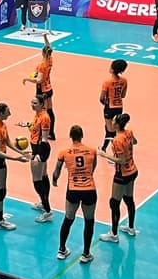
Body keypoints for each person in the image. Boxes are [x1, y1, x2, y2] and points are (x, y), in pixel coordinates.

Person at [0, 102, 30, 231]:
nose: (10, 113)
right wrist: (16, 159)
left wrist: (21, 152)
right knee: (2, 189)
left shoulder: (3, 124)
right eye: (8, 111)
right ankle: (0, 221)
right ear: (2, 113)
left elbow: (7, 142)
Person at [53, 125, 98, 263]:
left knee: (68, 219)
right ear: (82, 135)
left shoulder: (64, 152)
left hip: (73, 189)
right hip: (89, 189)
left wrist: (54, 180)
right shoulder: (92, 151)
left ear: (70, 136)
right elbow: (93, 168)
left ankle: (61, 250)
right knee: (89, 221)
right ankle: (86, 254)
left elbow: (57, 170)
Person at [98, 113, 139, 242]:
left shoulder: (117, 140)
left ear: (116, 124)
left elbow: (121, 160)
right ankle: (131, 228)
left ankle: (114, 234)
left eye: (113, 121)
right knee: (128, 199)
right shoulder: (129, 132)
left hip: (122, 174)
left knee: (114, 203)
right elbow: (135, 142)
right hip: (133, 170)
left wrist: (105, 155)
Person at [23, 95, 53, 223]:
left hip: (40, 150)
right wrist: (27, 125)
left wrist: (38, 155)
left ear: (42, 104)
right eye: (32, 102)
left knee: (37, 180)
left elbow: (44, 139)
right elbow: (36, 129)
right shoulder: (38, 115)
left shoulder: (45, 117)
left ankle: (47, 211)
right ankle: (44, 202)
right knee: (43, 176)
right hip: (37, 148)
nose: (32, 104)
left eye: (35, 103)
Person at [22, 34, 56, 139]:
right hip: (49, 88)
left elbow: (39, 80)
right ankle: (51, 132)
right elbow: (48, 47)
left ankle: (42, 132)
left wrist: (27, 79)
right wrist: (45, 37)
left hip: (42, 90)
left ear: (42, 53)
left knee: (43, 112)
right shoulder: (50, 59)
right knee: (50, 111)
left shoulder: (42, 65)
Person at [99, 59, 128, 152]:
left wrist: (106, 104)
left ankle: (114, 151)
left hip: (109, 108)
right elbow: (123, 95)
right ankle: (104, 148)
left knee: (110, 131)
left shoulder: (107, 82)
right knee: (114, 129)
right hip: (119, 107)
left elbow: (101, 98)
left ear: (112, 69)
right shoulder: (124, 80)